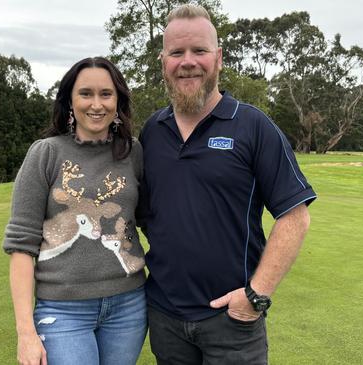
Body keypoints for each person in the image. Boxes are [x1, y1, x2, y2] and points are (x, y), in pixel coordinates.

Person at [137, 4, 317, 364]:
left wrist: (256, 295)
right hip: (165, 318)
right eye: (177, 52)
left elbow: (294, 217)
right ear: (163, 61)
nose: (188, 61)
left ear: (218, 58)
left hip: (232, 322)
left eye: (199, 51)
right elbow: (142, 214)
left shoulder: (253, 126)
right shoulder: (151, 132)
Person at [3, 57, 147, 365]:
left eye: (106, 94)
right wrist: (25, 332)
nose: (96, 104)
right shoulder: (46, 153)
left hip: (128, 306)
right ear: (70, 99)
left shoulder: (133, 152)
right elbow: (21, 246)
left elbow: (153, 220)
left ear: (118, 99)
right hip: (62, 310)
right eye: (86, 93)